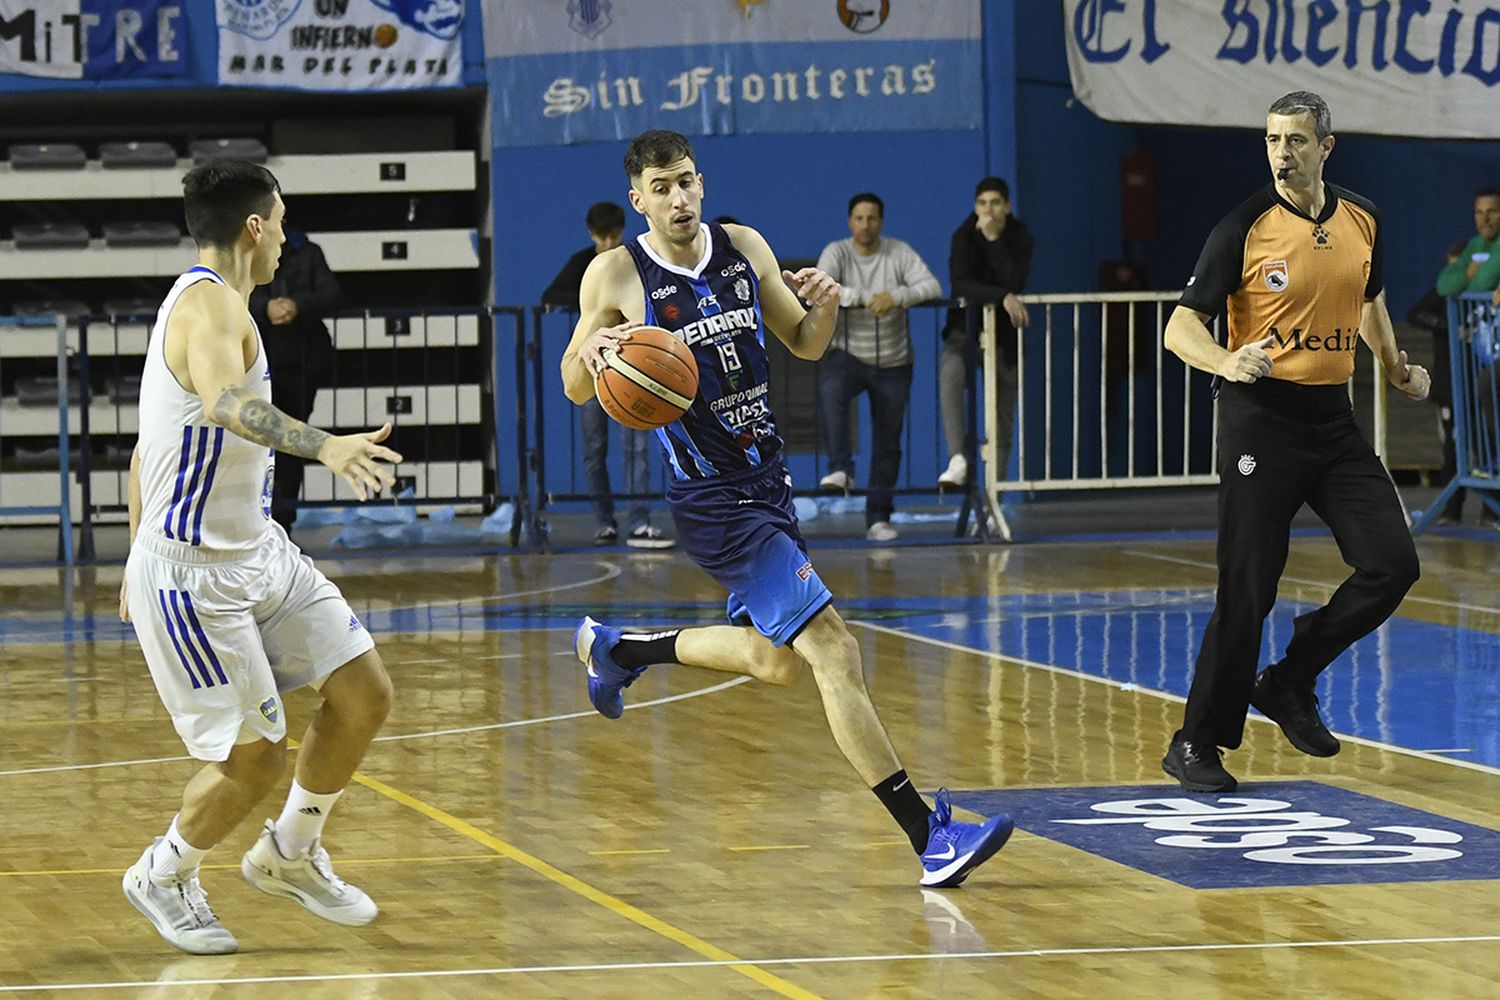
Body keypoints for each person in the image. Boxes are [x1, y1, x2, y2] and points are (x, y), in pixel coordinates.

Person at [559, 129, 1012, 887]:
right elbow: (577, 385)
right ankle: (928, 838)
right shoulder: (615, 275)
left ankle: (619, 649)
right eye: (662, 187)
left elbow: (803, 341)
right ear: (638, 199)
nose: (679, 197)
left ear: (702, 184)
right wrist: (597, 354)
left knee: (774, 663)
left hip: (768, 482)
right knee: (834, 648)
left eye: (688, 181)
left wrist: (827, 305)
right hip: (713, 499)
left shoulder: (743, 247)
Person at [119, 160, 402, 954]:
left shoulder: (222, 303)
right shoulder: (209, 308)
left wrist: (128, 545)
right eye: (280, 218)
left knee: (363, 693)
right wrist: (326, 446)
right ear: (255, 225)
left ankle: (290, 853)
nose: (285, 232)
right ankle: (165, 872)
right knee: (253, 760)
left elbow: (149, 448)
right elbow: (224, 404)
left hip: (258, 552)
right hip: (193, 576)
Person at [1160, 92, 1429, 793]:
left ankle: (1289, 679)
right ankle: (1196, 743)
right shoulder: (1243, 227)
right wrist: (1225, 360)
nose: (1284, 153)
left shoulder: (1363, 219)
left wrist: (1395, 367)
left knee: (1392, 563)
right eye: (1274, 140)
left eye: (1298, 141)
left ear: (1326, 148)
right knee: (1248, 586)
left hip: (1332, 421)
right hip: (1260, 420)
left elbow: (1368, 302)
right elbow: (1180, 327)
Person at [543, 201, 673, 548]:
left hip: (631, 369)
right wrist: (598, 302)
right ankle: (604, 521)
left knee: (637, 448)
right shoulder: (586, 265)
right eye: (603, 238)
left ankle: (639, 521)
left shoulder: (629, 261)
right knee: (593, 448)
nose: (609, 244)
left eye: (614, 236)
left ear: (622, 232)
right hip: (593, 368)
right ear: (592, 235)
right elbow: (550, 294)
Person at [814, 192, 941, 542]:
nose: (865, 225)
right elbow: (819, 285)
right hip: (848, 354)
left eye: (872, 219)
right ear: (849, 222)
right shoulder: (837, 252)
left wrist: (895, 297)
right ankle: (840, 469)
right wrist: (861, 298)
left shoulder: (898, 252)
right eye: (859, 218)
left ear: (881, 223)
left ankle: (879, 517)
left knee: (888, 439)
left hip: (893, 361)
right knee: (830, 392)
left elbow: (932, 286)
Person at [938, 177, 1034, 490]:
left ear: (1008, 206)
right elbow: (961, 284)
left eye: (995, 203)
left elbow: (1015, 279)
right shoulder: (963, 236)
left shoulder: (1020, 236)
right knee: (950, 374)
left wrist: (994, 241)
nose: (988, 210)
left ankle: (997, 493)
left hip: (1005, 338)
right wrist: (1001, 297)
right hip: (964, 332)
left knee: (1002, 417)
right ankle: (958, 458)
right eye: (982, 203)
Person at [248, 228, 341, 534]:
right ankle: (255, 525)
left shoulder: (308, 252)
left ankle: (282, 523)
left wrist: (296, 305)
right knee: (255, 447)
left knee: (293, 444)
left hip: (302, 362)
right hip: (259, 363)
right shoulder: (250, 255)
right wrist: (265, 307)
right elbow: (235, 296)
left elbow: (331, 294)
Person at [1430, 188, 1500, 528]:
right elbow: (1445, 285)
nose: (1485, 219)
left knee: (1491, 421)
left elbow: (1483, 278)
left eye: (1493, 212)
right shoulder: (1474, 246)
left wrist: (1471, 277)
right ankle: (1476, 503)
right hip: (1479, 357)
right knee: (1472, 429)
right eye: (1479, 212)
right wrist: (1467, 277)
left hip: (1492, 363)